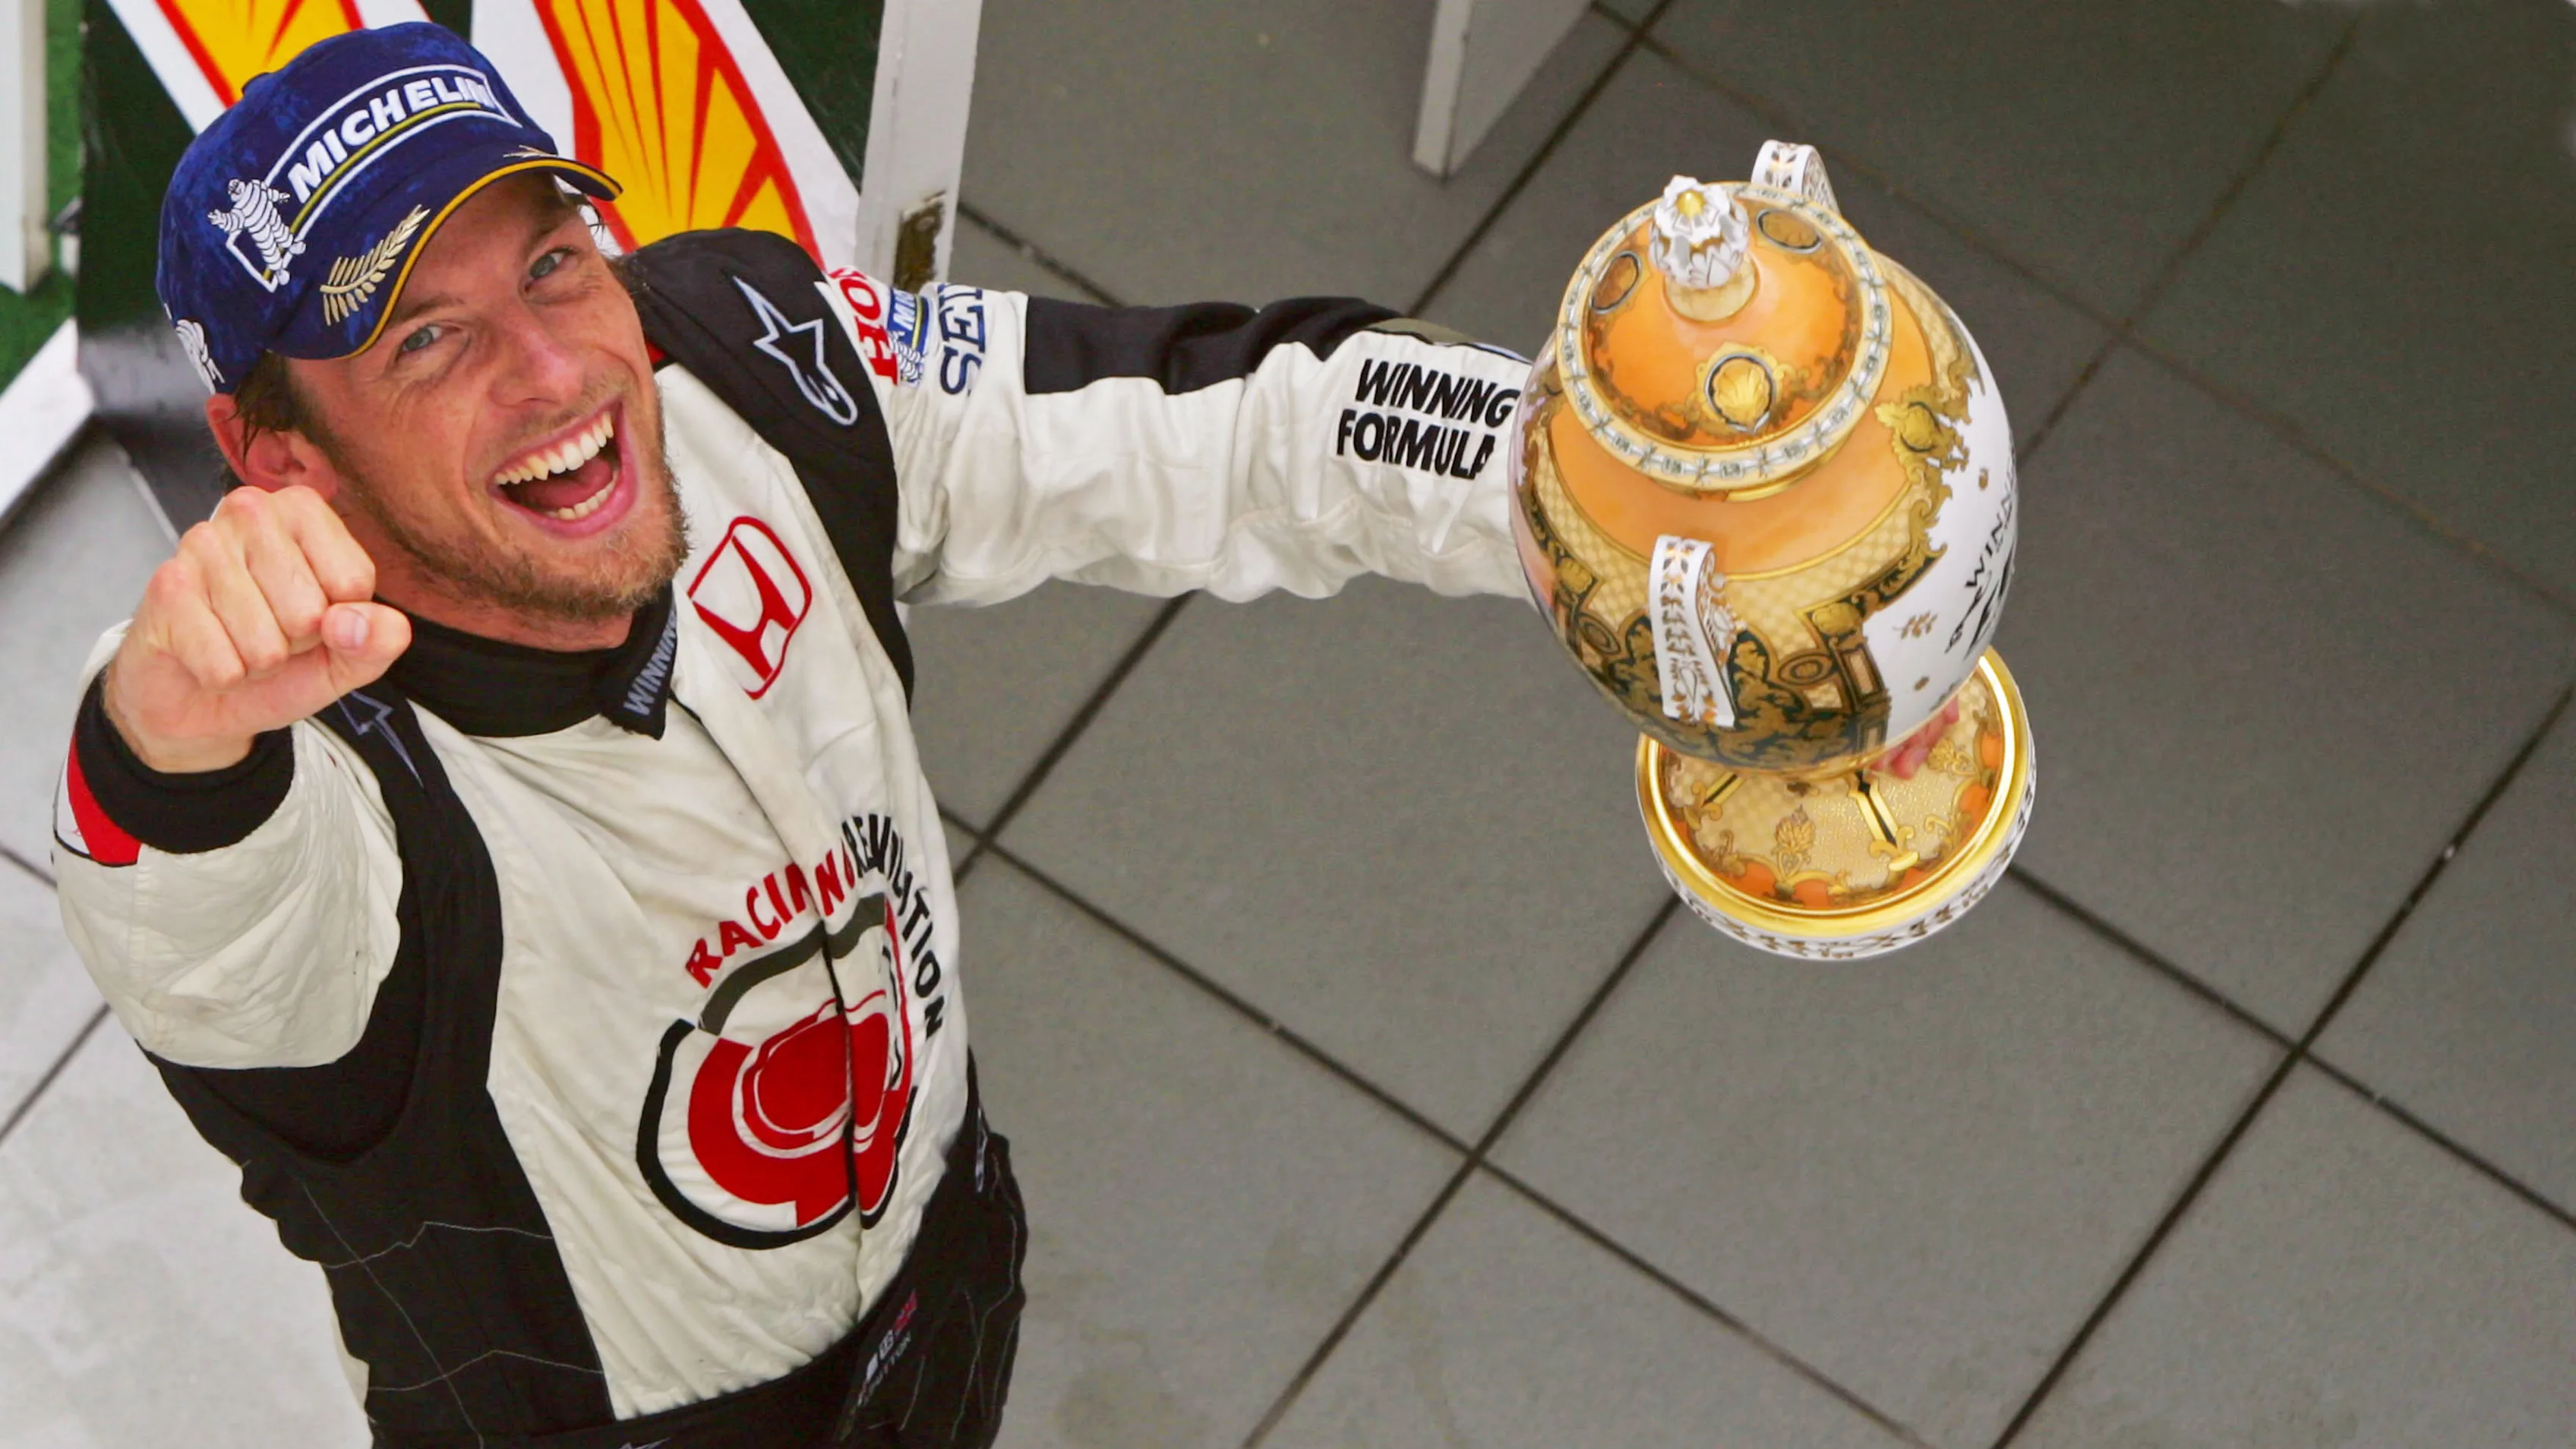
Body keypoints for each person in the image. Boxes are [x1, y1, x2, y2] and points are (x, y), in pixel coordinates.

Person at [49, 21, 1530, 1447]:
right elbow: (204, 922)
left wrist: (1563, 469)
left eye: (556, 264)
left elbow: (1222, 428)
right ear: (272, 456)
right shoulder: (314, 784)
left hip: (942, 1277)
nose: (555, 373)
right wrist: (164, 725)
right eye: (429, 339)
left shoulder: (757, 353)